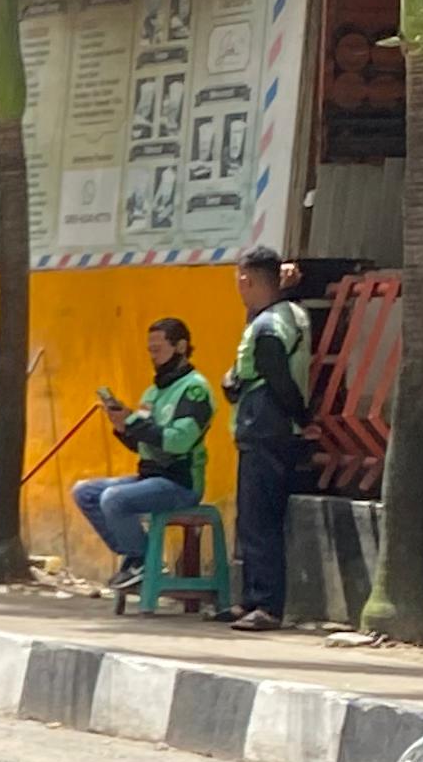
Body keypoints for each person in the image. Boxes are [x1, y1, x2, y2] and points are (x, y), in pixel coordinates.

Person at [71, 316, 217, 612]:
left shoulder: (194, 391)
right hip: (149, 477)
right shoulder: (153, 392)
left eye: (158, 349)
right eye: (149, 350)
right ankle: (139, 557)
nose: (152, 356)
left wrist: (135, 422)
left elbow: (178, 441)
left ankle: (143, 560)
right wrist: (123, 427)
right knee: (85, 492)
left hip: (179, 483)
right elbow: (143, 443)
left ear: (181, 347)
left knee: (114, 498)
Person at [220, 247, 311, 636]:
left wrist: (302, 418)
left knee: (261, 522)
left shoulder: (270, 326)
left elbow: (278, 379)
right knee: (252, 518)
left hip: (267, 428)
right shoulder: (278, 317)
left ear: (247, 279)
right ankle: (252, 598)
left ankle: (267, 604)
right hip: (262, 428)